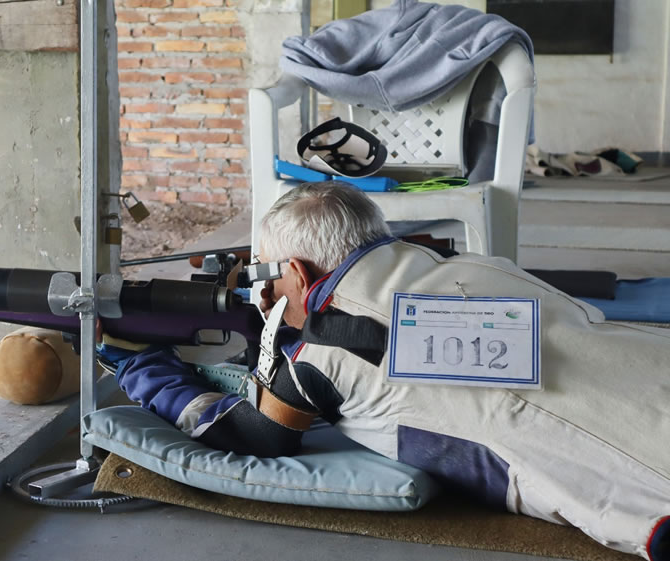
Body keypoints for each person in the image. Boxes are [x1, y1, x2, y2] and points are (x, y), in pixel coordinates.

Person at [105, 181, 670, 561]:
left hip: (645, 489)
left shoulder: (323, 354)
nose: (264, 292)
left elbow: (248, 435)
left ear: (296, 272)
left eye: (267, 279)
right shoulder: (480, 265)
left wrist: (139, 363)